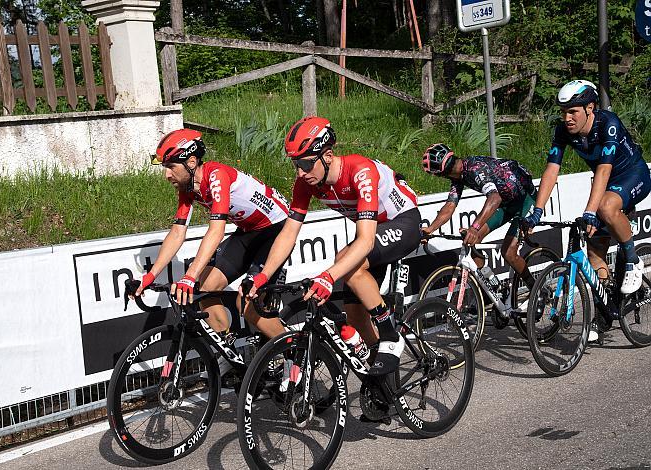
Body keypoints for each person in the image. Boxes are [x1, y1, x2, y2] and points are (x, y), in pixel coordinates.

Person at [246, 116, 421, 376]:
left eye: (305, 164)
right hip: (377, 230)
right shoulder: (305, 183)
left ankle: (389, 334)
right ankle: (384, 385)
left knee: (345, 259)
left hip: (403, 221)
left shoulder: (359, 171)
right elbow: (288, 233)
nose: (300, 173)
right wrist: (263, 275)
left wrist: (328, 276)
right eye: (296, 165)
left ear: (327, 156)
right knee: (356, 318)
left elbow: (366, 241)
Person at [134, 129, 289, 368]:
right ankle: (229, 352)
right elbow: (177, 233)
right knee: (204, 287)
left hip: (277, 230)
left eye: (171, 166)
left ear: (191, 162)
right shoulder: (188, 188)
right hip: (249, 231)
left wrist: (189, 275)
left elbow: (216, 231)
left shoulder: (216, 176)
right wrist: (151, 275)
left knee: (246, 302)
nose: (166, 174)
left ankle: (293, 354)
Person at [523, 80, 650, 338]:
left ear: (590, 107)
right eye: (563, 112)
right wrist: (537, 210)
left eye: (573, 112)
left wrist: (590, 211)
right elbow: (551, 170)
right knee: (594, 251)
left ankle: (633, 260)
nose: (567, 118)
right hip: (607, 184)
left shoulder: (608, 124)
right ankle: (606, 312)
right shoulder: (563, 131)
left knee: (604, 207)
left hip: (632, 175)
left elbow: (604, 169)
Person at [420, 143, 539, 325]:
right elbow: (450, 207)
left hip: (525, 200)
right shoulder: (458, 177)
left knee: (508, 252)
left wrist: (475, 227)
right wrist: (430, 229)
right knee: (470, 242)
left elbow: (494, 198)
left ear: (440, 174)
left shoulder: (474, 169)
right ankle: (495, 290)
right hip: (506, 204)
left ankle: (536, 289)